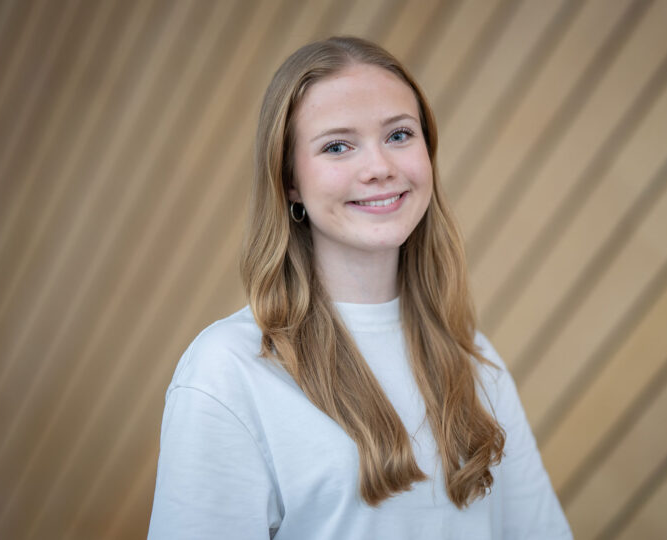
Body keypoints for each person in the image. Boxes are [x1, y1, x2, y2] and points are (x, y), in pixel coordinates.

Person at [148, 36, 572, 539]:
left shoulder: (474, 362)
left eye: (399, 135)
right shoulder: (230, 371)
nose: (379, 168)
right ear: (289, 181)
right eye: (337, 146)